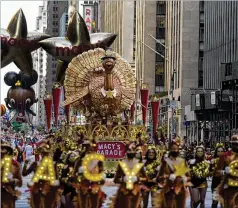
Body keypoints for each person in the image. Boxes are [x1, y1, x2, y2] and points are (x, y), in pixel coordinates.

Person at [158, 136, 190, 208]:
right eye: (173, 149)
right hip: (168, 190)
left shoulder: (183, 161)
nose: (174, 150)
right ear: (170, 150)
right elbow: (159, 177)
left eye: (176, 149)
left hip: (180, 190)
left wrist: (184, 178)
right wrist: (167, 177)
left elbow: (189, 176)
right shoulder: (165, 162)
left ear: (178, 149)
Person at [113, 142, 147, 208]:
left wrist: (138, 179)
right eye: (129, 150)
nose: (131, 151)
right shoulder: (121, 163)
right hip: (123, 192)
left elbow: (145, 178)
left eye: (132, 150)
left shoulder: (139, 163)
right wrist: (122, 179)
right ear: (126, 151)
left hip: (135, 192)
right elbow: (115, 180)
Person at [216, 135, 238, 207]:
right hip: (229, 186)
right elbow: (216, 172)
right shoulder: (225, 156)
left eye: (237, 144)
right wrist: (224, 172)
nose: (236, 146)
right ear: (231, 144)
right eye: (234, 144)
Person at [1, 140, 22, 208]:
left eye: (4, 149)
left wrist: (13, 180)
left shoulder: (15, 165)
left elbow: (20, 183)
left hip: (7, 196)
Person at [210, 143, 225, 208]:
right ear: (216, 152)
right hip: (215, 182)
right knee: (215, 202)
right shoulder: (212, 161)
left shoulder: (226, 160)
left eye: (222, 151)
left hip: (224, 183)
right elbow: (210, 172)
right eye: (218, 151)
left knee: (223, 203)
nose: (220, 152)